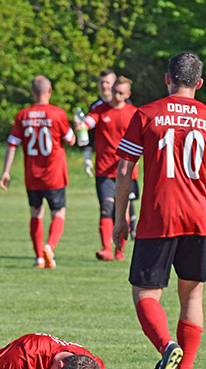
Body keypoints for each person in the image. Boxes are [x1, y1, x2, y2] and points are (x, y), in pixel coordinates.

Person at [114, 51, 206, 369]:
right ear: (199, 83)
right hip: (200, 219)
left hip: (158, 216)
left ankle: (167, 346)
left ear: (167, 78)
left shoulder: (146, 114)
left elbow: (124, 169)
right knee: (192, 295)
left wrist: (120, 217)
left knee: (146, 293)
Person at [0, 76, 75, 269]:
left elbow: (12, 143)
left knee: (36, 213)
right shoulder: (57, 113)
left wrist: (6, 171)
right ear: (49, 90)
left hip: (32, 175)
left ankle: (38, 258)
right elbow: (71, 139)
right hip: (54, 175)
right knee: (58, 213)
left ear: (32, 92)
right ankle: (49, 247)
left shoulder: (23, 115)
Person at [76, 76, 139, 261]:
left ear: (128, 94)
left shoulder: (134, 113)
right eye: (114, 91)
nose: (116, 96)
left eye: (120, 93)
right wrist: (81, 125)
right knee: (106, 207)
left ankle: (120, 251)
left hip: (127, 171)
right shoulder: (100, 110)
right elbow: (89, 122)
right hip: (104, 170)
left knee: (123, 210)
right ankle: (106, 249)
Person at [81, 69, 117, 177]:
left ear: (115, 84)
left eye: (107, 82)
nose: (104, 86)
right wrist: (87, 156)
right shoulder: (95, 107)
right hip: (103, 163)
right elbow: (90, 132)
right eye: (102, 82)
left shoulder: (126, 106)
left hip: (122, 162)